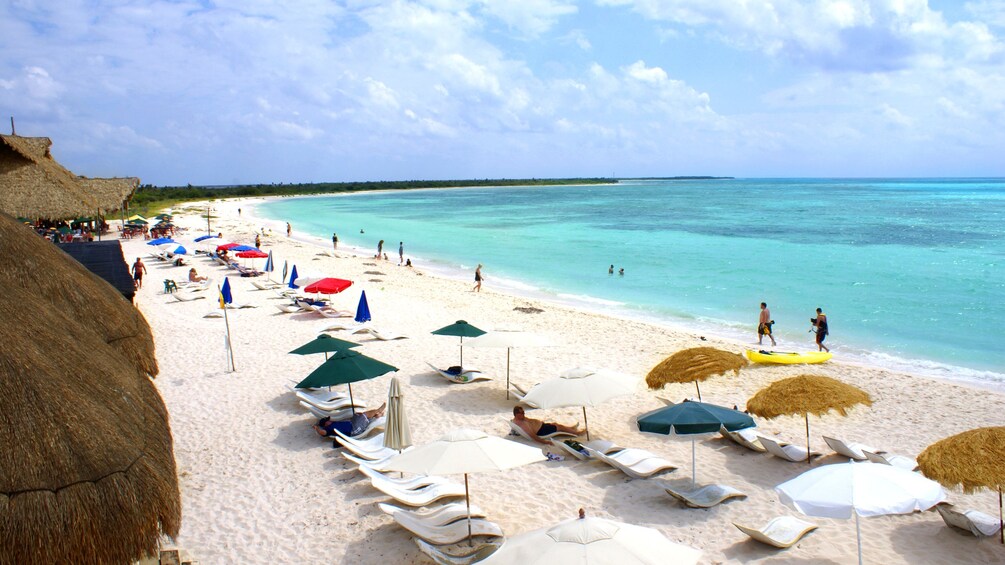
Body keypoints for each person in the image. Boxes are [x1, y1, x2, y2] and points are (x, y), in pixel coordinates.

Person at [313, 403, 387, 441]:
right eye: (328, 420)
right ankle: (378, 411)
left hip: (354, 425)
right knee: (363, 415)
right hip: (354, 430)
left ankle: (378, 414)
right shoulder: (329, 429)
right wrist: (316, 428)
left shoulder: (334, 424)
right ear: (326, 423)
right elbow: (322, 433)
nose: (330, 420)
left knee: (359, 415)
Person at [512, 406, 581, 444]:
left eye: (523, 412)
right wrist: (545, 442)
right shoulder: (522, 424)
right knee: (559, 427)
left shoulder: (516, 420)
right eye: (521, 413)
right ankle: (577, 433)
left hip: (542, 427)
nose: (523, 414)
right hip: (542, 431)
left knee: (555, 424)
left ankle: (571, 428)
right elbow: (532, 435)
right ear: (516, 414)